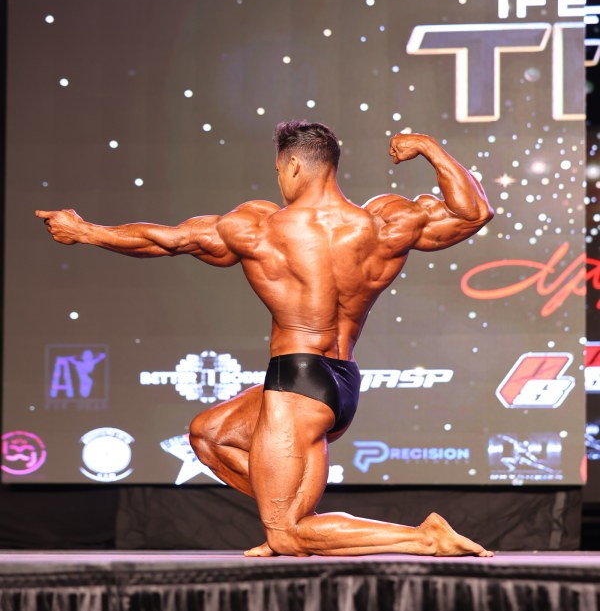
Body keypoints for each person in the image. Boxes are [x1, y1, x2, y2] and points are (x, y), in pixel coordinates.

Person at [36, 121, 494, 557]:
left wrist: (86, 232)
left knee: (289, 535)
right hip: (340, 379)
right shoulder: (384, 222)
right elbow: (474, 213)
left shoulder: (260, 227)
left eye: (278, 171)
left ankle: (423, 538)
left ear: (292, 165)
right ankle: (298, 517)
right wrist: (429, 147)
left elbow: (167, 240)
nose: (279, 181)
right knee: (210, 435)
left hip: (296, 383)